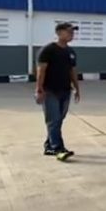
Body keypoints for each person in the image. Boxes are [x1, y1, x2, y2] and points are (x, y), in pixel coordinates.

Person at [36, 22, 81, 161]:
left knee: (58, 120)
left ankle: (49, 146)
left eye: (73, 32)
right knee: (53, 120)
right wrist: (39, 89)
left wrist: (77, 88)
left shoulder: (70, 52)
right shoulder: (48, 50)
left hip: (65, 91)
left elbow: (72, 71)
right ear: (59, 33)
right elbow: (41, 70)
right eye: (69, 31)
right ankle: (58, 149)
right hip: (50, 91)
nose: (72, 34)